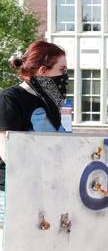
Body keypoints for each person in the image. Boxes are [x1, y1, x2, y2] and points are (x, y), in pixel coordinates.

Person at [0, 40, 69, 222]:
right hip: (12, 191)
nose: (65, 77)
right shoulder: (9, 98)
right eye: (62, 70)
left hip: (44, 189)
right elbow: (7, 151)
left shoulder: (49, 102)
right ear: (43, 71)